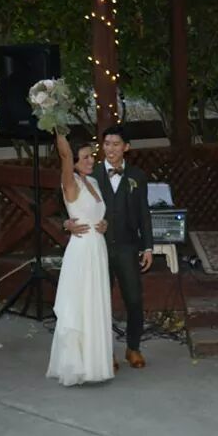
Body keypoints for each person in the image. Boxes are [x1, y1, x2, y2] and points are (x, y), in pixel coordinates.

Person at [65, 125, 153, 369]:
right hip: (97, 247)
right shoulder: (90, 174)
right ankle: (105, 353)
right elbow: (67, 202)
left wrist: (148, 247)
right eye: (106, 144)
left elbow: (144, 214)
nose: (110, 149)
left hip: (127, 246)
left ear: (126, 147)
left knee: (134, 299)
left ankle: (133, 347)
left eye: (116, 144)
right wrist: (66, 223)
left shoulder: (137, 176)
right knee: (99, 302)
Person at [47, 136, 114, 386]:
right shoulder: (70, 182)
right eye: (85, 157)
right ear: (74, 161)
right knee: (81, 304)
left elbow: (96, 212)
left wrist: (104, 223)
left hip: (98, 247)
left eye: (91, 156)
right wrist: (57, 127)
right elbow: (65, 155)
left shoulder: (93, 181)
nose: (90, 160)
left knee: (95, 303)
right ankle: (78, 365)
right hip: (82, 250)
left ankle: (97, 363)